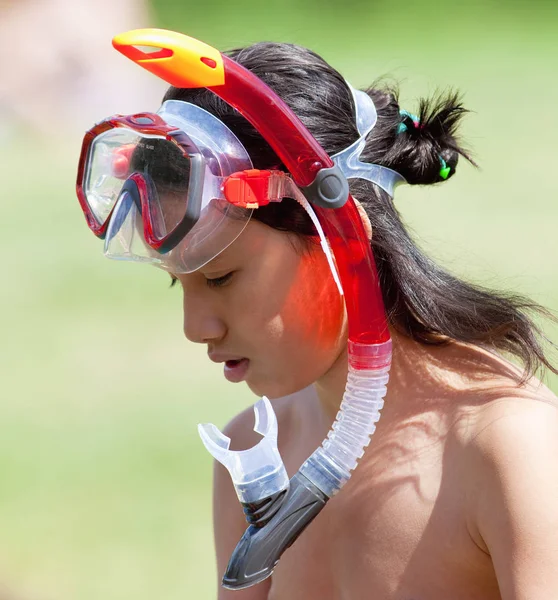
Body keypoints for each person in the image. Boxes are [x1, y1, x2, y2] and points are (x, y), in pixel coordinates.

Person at [79, 38, 558, 599]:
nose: (196, 327)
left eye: (220, 277)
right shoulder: (256, 455)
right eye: (175, 281)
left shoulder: (510, 450)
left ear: (345, 238)